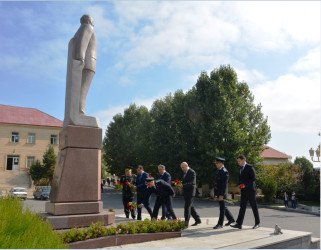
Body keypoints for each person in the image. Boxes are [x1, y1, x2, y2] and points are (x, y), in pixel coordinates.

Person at [231, 155, 260, 230]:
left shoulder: (250, 167)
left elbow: (253, 178)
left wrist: (245, 185)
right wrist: (239, 185)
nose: (238, 163)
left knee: (254, 207)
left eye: (239, 161)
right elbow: (241, 179)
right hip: (243, 191)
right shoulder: (241, 169)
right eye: (238, 161)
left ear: (243, 160)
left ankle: (257, 223)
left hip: (250, 190)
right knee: (242, 207)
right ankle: (239, 224)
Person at [213, 157, 235, 229]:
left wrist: (221, 195)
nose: (216, 164)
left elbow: (224, 185)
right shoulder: (218, 170)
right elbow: (217, 183)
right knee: (223, 207)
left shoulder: (224, 171)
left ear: (221, 163)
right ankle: (231, 219)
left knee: (222, 208)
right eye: (215, 163)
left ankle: (220, 224)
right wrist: (216, 193)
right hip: (219, 192)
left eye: (217, 163)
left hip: (222, 193)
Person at [180, 162, 201, 228]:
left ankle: (186, 223)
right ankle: (198, 220)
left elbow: (192, 183)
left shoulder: (192, 172)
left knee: (187, 207)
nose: (182, 169)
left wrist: (183, 185)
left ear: (187, 166)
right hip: (186, 192)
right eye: (181, 168)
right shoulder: (184, 172)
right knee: (191, 207)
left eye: (183, 167)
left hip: (191, 193)